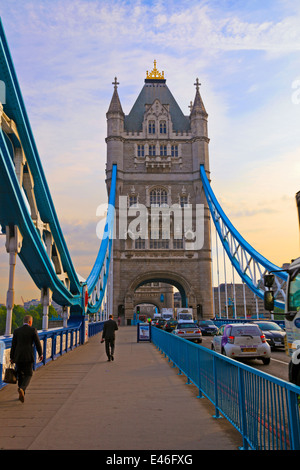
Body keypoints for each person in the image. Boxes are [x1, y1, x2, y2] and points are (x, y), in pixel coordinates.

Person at [10, 315, 43, 403]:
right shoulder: (32, 330)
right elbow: (37, 343)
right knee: (29, 374)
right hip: (28, 356)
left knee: (20, 374)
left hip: (18, 356)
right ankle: (22, 388)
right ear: (30, 322)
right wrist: (41, 354)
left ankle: (22, 392)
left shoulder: (17, 331)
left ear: (23, 321)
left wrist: (11, 357)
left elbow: (13, 345)